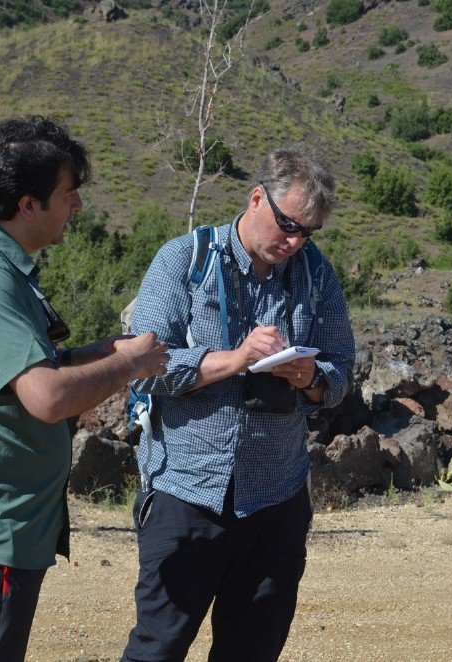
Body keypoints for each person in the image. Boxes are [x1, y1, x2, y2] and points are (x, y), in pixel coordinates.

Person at [0, 115, 169, 661]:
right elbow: (47, 397)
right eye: (68, 194)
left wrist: (98, 353)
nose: (77, 207)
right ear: (28, 204)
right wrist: (131, 366)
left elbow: (21, 372)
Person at [121, 144, 355, 662]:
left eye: (308, 233)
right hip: (188, 490)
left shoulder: (317, 274)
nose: (295, 242)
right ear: (256, 199)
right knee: (158, 647)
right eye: (288, 225)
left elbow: (340, 375)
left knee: (252, 650)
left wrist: (310, 376)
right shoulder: (183, 260)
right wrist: (236, 359)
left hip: (277, 496)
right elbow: (144, 367)